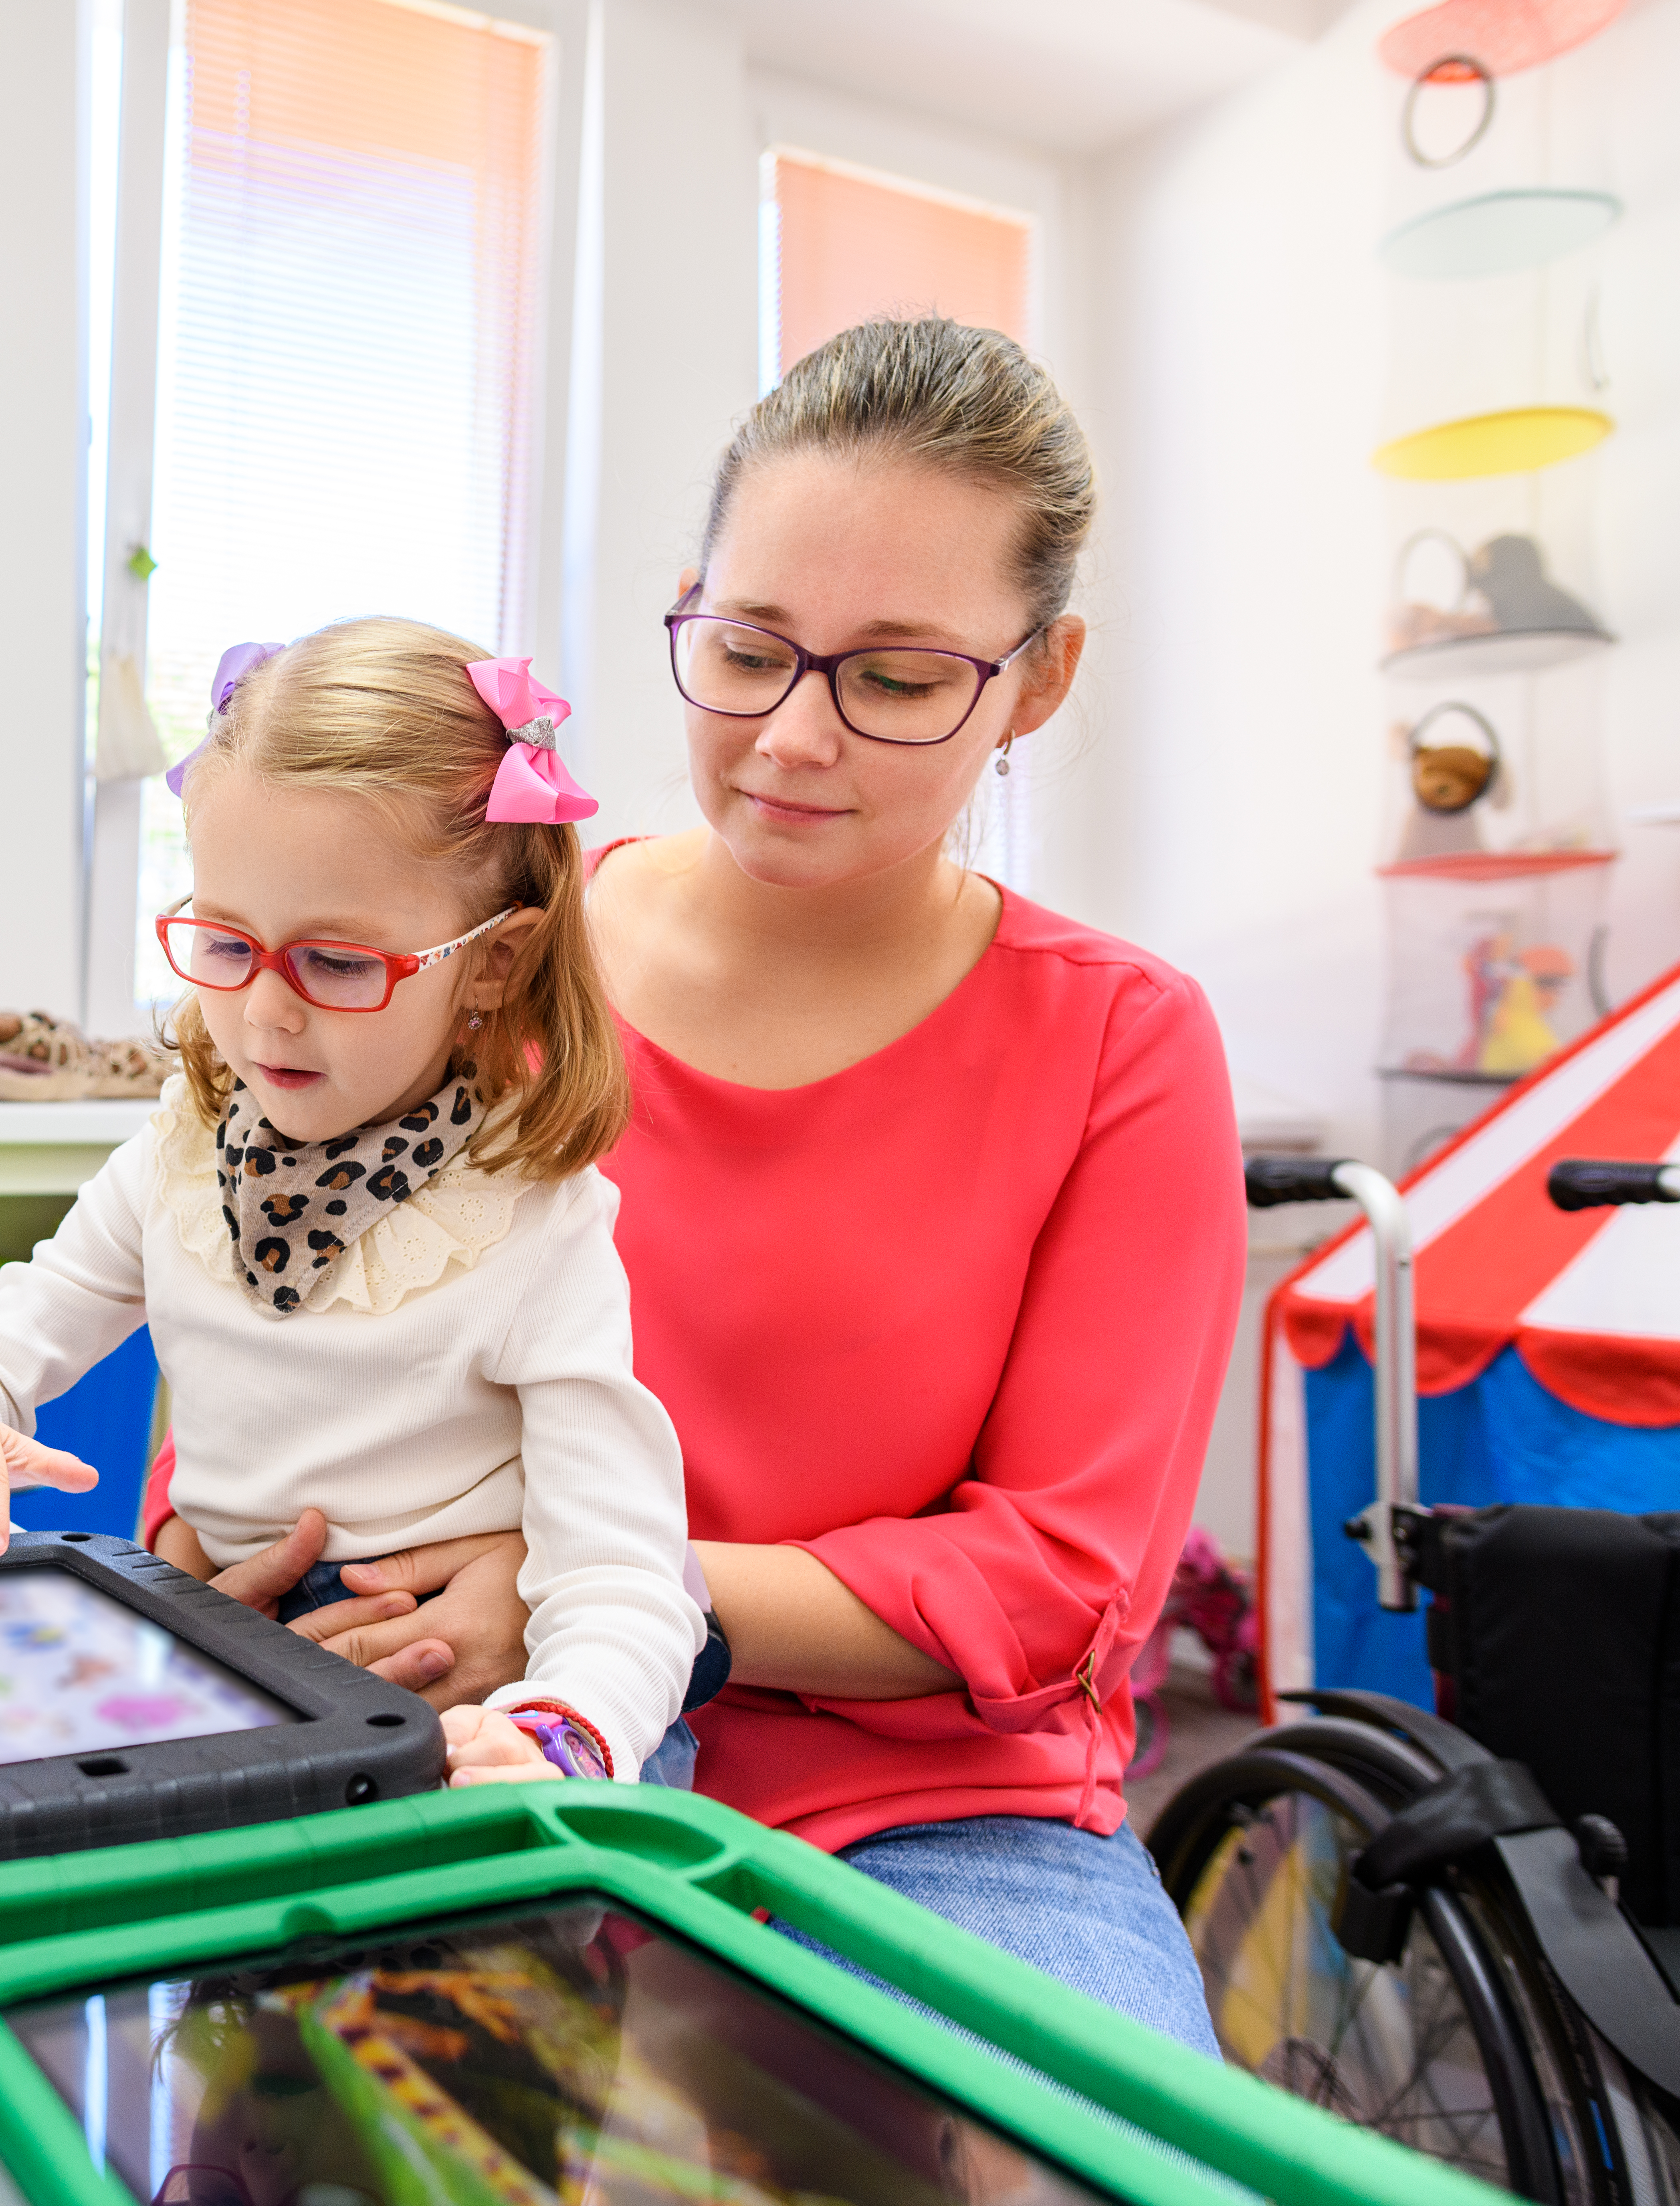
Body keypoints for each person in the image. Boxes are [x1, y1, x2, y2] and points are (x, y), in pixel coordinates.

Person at [158, 319, 1244, 2053]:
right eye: (748, 650)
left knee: (1101, 2153)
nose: (794, 739)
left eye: (896, 679)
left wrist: (602, 1583)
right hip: (462, 1727)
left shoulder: (1121, 1042)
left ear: (1038, 679)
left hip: (930, 1817)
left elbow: (1058, 1578)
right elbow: (263, 1317)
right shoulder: (485, 952)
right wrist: (228, 1556)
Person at [0, 617, 709, 1790]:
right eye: (227, 944)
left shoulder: (535, 1221)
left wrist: (560, 1733)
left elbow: (625, 1574)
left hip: (486, 1700)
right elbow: (9, 1339)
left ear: (493, 962)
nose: (266, 1016)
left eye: (337, 965)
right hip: (242, 1656)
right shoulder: (178, 1157)